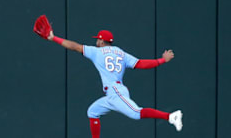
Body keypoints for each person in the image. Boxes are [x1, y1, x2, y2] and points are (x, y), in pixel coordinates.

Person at [47, 30, 183, 138]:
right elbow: (141, 64)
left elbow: (74, 46)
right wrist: (162, 60)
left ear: (101, 40)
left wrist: (54, 38)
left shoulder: (97, 52)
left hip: (115, 91)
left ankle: (170, 116)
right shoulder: (121, 53)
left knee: (136, 113)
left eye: (97, 39)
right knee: (93, 111)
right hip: (114, 92)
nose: (96, 41)